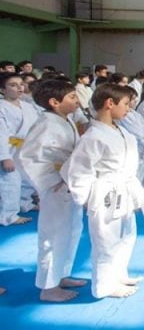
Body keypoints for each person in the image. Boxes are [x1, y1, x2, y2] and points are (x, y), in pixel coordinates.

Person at [60, 84, 144, 299]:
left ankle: (119, 274)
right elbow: (79, 170)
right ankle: (104, 286)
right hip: (106, 193)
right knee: (106, 241)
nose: (129, 109)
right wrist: (84, 198)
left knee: (127, 235)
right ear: (109, 104)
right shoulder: (93, 136)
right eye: (126, 104)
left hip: (125, 188)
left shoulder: (119, 130)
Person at [16, 78, 86, 301]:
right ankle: (48, 287)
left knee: (72, 231)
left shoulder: (65, 120)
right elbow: (26, 157)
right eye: (72, 97)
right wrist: (48, 183)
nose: (77, 101)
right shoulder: (46, 123)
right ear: (55, 102)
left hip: (69, 183)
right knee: (53, 236)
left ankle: (62, 274)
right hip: (55, 187)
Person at [0, 72, 40, 226]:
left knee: (26, 179)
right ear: (2, 90)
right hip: (8, 148)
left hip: (24, 148)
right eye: (13, 85)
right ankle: (7, 215)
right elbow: (1, 133)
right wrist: (4, 157)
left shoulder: (28, 106)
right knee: (11, 181)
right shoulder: (2, 107)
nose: (19, 88)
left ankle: (25, 204)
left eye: (21, 84)